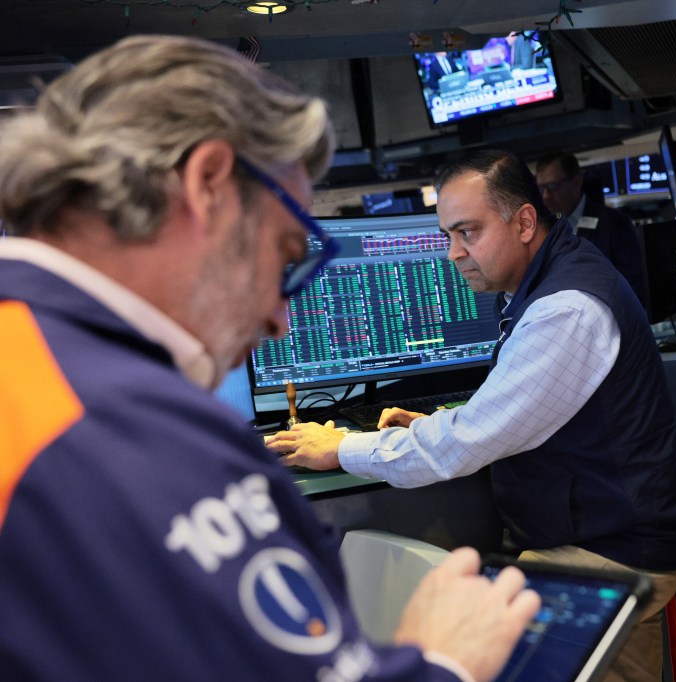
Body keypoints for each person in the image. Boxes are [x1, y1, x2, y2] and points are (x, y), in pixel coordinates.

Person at [0, 34, 541, 680]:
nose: (280, 321)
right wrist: (445, 661)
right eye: (287, 255)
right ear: (207, 186)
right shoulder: (135, 431)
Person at [268, 149, 676, 682]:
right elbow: (523, 409)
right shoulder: (551, 277)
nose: (453, 253)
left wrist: (341, 449)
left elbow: (463, 445)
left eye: (467, 232)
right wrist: (428, 425)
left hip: (609, 554)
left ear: (523, 222)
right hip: (599, 537)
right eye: (448, 235)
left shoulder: (565, 309)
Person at [534, 150, 647, 307]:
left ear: (576, 182)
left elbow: (633, 284)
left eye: (553, 186)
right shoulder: (546, 229)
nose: (546, 196)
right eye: (541, 188)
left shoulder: (614, 223)